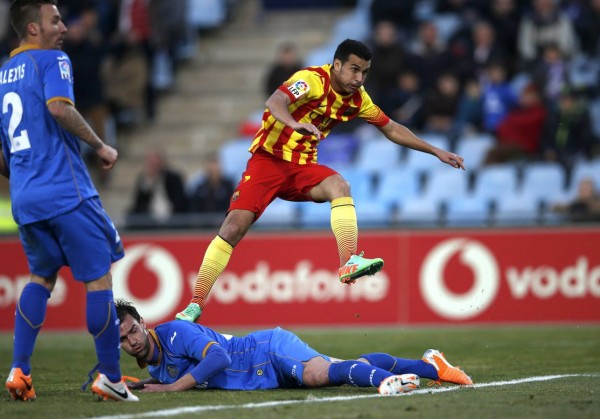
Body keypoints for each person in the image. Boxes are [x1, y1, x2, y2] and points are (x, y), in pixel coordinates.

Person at [176, 39, 465, 322]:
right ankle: (195, 303)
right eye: (353, 69)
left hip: (302, 168)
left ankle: (348, 261)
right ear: (336, 64)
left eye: (364, 72)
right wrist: (293, 123)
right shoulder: (311, 80)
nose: (359, 78)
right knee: (233, 227)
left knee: (340, 186)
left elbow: (390, 128)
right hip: (268, 162)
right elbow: (274, 101)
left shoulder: (358, 99)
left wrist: (434, 150)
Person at [0, 0, 137, 402]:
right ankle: (111, 376)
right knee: (99, 279)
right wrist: (99, 146)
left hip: (25, 199)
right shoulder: (53, 60)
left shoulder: (2, 76)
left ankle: (19, 371)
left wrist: (23, 176)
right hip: (66, 191)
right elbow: (59, 108)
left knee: (40, 279)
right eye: (54, 19)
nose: (63, 26)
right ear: (32, 28)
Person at [116, 299, 473, 395]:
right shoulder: (153, 363)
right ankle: (431, 366)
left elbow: (220, 357)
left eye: (133, 329)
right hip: (264, 377)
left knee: (317, 374)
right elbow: (150, 380)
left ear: (143, 323)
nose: (132, 340)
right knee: (339, 369)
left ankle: (387, 381)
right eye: (123, 339)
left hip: (267, 350)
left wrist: (172, 388)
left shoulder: (176, 332)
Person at [128, 148, 188, 224]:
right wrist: (149, 182)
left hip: (172, 219)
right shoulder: (143, 180)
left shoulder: (173, 178)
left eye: (156, 163)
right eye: (151, 163)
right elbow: (139, 204)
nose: (154, 166)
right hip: (149, 220)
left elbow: (180, 201)